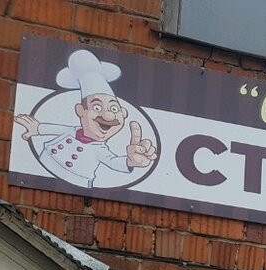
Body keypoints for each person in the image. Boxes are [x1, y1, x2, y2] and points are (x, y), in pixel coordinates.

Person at [14, 49, 158, 189]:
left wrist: (130, 161)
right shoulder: (71, 131)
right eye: (97, 107)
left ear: (123, 113)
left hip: (78, 179)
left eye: (114, 109)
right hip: (45, 161)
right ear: (80, 111)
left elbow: (114, 161)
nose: (107, 116)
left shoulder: (99, 150)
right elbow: (53, 128)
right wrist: (36, 128)